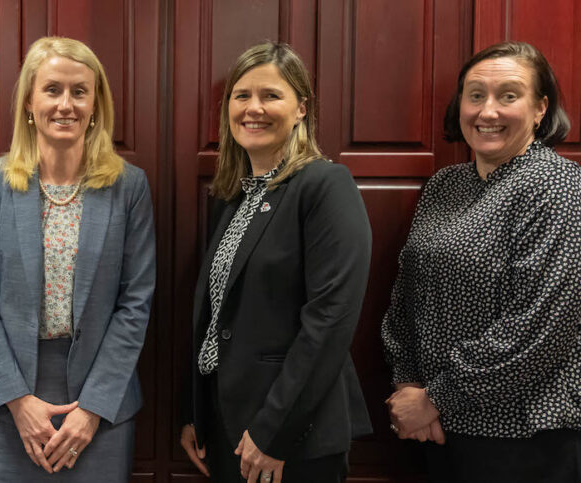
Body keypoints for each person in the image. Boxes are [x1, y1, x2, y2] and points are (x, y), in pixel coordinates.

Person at [382, 41, 581, 483]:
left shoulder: (558, 186)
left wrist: (436, 398)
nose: (487, 111)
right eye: (475, 95)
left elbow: (541, 328)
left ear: (539, 109)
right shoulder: (444, 185)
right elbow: (406, 297)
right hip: (434, 431)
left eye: (508, 95)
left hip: (522, 437)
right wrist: (408, 384)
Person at [0, 36, 156, 482]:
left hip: (100, 405)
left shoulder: (129, 187)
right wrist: (16, 399)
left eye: (79, 91)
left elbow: (135, 302)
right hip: (9, 404)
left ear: (95, 105)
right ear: (30, 101)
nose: (66, 104)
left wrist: (91, 409)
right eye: (52, 90)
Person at [179, 41, 372, 483]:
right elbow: (213, 318)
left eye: (271, 95)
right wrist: (194, 413)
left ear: (301, 108)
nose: (254, 108)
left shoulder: (325, 185)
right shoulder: (233, 197)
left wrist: (273, 434)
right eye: (241, 95)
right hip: (227, 423)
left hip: (289, 437)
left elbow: (330, 320)